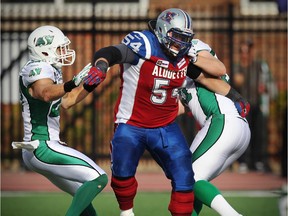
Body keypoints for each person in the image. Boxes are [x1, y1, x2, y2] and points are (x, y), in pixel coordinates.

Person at [85, 8, 250, 216]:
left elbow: (205, 78)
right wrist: (100, 66)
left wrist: (236, 96)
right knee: (122, 173)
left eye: (185, 38)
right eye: (177, 36)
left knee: (186, 178)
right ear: (163, 30)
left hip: (165, 126)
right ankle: (126, 213)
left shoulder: (183, 58)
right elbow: (112, 52)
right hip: (132, 123)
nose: (180, 43)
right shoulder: (144, 44)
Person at [12, 25, 108, 216]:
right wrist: (72, 82)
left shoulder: (49, 69)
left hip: (45, 146)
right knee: (99, 178)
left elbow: (67, 101)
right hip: (42, 146)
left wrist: (90, 83)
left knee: (84, 203)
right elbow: (45, 93)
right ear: (44, 49)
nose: (64, 52)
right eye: (59, 48)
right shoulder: (36, 68)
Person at [178, 39, 251, 216]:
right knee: (186, 190)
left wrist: (190, 58)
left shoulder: (193, 47)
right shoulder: (171, 68)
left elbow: (219, 69)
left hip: (223, 120)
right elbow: (178, 107)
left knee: (189, 178)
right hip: (231, 126)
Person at [233, 39, 278, 173]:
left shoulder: (259, 66)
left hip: (257, 103)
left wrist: (266, 89)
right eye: (242, 51)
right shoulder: (237, 67)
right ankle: (244, 162)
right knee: (244, 133)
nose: (245, 55)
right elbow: (231, 85)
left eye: (247, 51)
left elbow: (269, 83)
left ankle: (259, 161)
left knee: (259, 133)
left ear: (252, 52)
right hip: (243, 105)